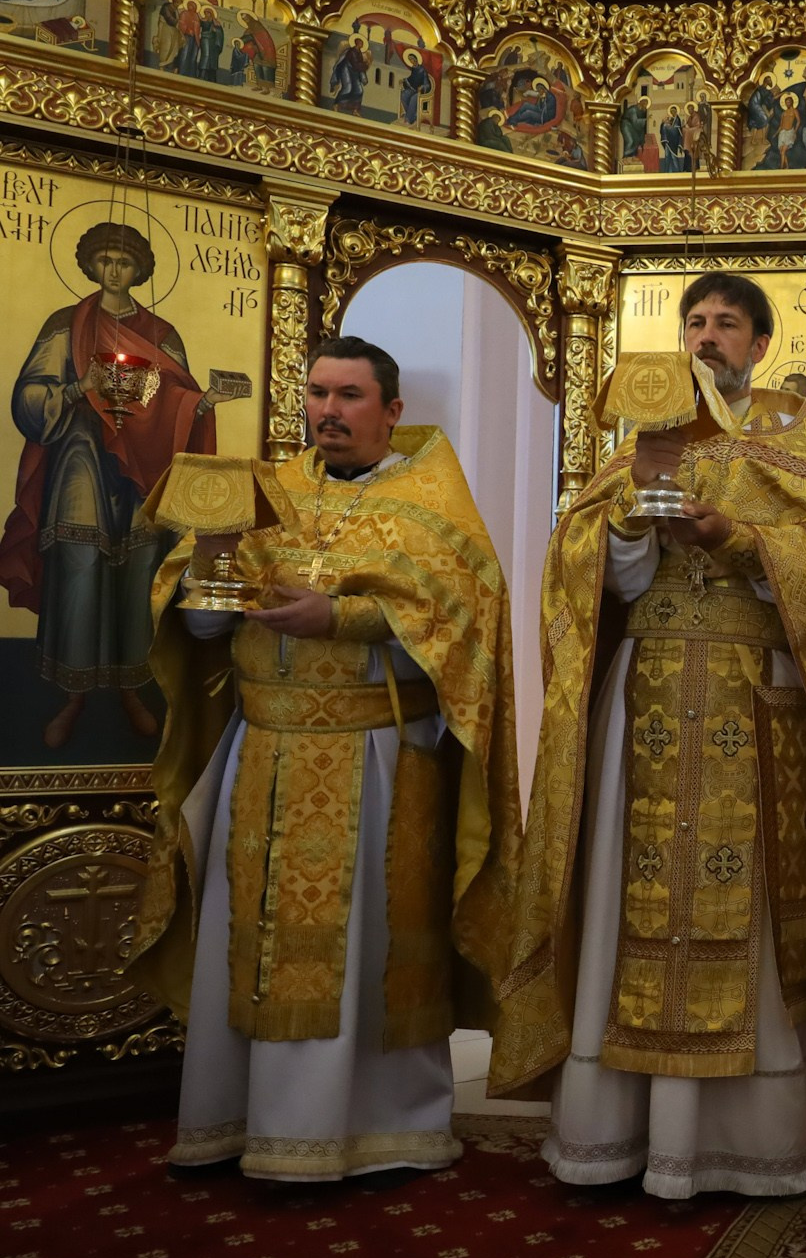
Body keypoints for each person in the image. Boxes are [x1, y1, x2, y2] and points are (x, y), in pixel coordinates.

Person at [493, 273, 806, 1199]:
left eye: (727, 325)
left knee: (748, 912)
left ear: (760, 343)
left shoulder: (792, 440)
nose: (708, 337)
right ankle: (615, 1133)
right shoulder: (636, 447)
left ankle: (744, 1148)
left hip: (753, 707)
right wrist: (631, 518)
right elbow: (586, 581)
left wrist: (740, 538)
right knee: (627, 901)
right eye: (695, 321)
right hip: (646, 703)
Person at [128, 336, 524, 1181]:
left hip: (378, 760)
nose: (328, 411)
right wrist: (208, 561)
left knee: (364, 944)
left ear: (391, 410)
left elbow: (466, 625)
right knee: (252, 933)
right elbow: (200, 628)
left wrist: (343, 619)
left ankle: (379, 1129)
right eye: (317, 393)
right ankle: (234, 1121)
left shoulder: (434, 501)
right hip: (261, 751)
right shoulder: (259, 491)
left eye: (349, 396)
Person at [1, 221, 217, 748]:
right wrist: (80, 387)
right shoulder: (66, 324)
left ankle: (129, 690)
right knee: (80, 562)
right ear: (91, 266)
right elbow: (30, 397)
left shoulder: (161, 334)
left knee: (139, 568)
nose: (115, 271)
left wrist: (203, 405)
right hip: (79, 456)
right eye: (105, 260)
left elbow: (176, 401)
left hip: (141, 468)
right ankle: (72, 697)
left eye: (124, 261)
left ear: (139, 269)